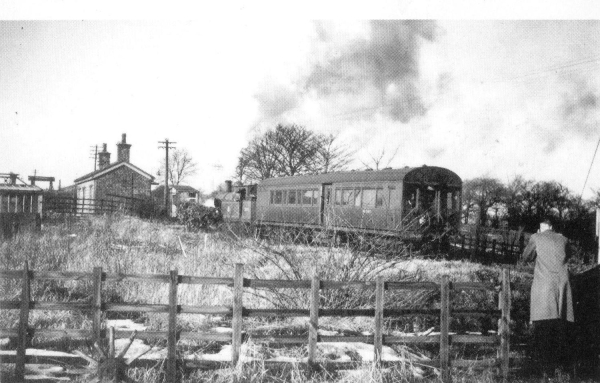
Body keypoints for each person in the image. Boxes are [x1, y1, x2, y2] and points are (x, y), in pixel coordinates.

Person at [521, 216, 574, 376]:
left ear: (542, 226)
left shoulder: (536, 237)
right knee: (559, 329)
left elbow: (526, 257)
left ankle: (546, 370)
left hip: (544, 290)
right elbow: (568, 255)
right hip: (562, 290)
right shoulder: (564, 239)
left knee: (543, 330)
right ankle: (559, 370)